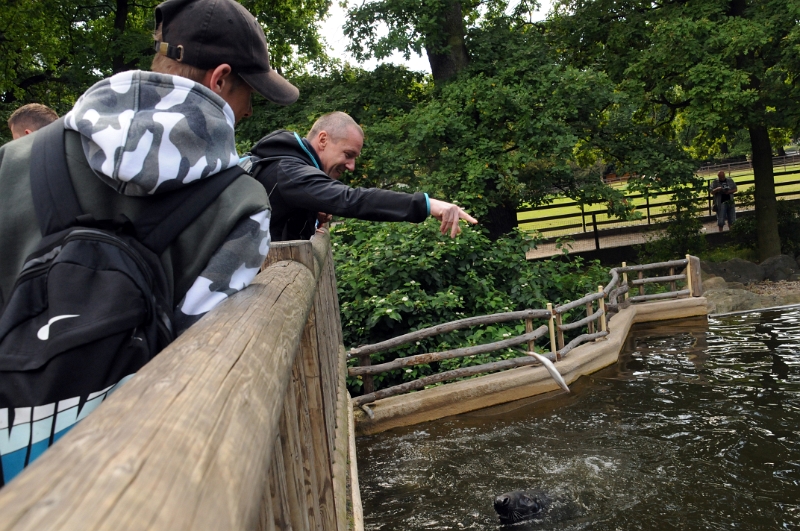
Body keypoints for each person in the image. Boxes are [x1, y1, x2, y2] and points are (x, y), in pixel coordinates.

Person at [0, 0, 299, 330]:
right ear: (220, 80)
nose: (249, 111)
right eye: (250, 94)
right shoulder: (245, 206)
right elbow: (201, 346)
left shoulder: (13, 160)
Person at [249, 111, 477, 241]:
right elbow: (351, 199)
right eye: (348, 154)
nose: (351, 166)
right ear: (323, 140)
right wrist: (427, 204)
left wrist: (312, 215)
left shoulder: (286, 166)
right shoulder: (289, 171)